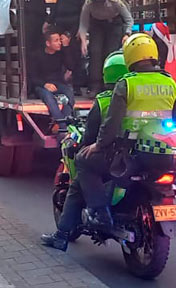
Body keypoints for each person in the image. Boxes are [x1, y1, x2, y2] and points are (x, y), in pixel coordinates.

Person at [76, 33, 176, 230]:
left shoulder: (127, 83)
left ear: (129, 56)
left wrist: (98, 145)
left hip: (128, 154)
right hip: (159, 154)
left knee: (82, 161)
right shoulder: (169, 82)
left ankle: (100, 212)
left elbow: (112, 123)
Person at [41, 52, 128, 251]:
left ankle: (64, 234)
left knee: (79, 177)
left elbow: (90, 135)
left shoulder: (105, 99)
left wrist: (89, 147)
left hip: (110, 156)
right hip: (135, 157)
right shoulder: (137, 94)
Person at [79, 0, 134, 92]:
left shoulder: (114, 0)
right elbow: (83, 23)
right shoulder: (88, 3)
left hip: (114, 24)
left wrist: (127, 33)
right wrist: (83, 41)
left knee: (110, 53)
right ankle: (95, 86)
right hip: (97, 24)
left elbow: (128, 19)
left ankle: (110, 84)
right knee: (95, 52)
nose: (98, 6)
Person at [51, 0, 89, 89]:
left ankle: (77, 84)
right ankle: (61, 81)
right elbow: (55, 7)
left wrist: (80, 28)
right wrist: (48, 22)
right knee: (59, 50)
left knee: (75, 53)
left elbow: (84, 10)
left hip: (75, 24)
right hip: (60, 23)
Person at [29, 29, 76, 129]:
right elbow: (33, 77)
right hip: (42, 85)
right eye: (56, 41)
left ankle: (60, 123)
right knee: (49, 98)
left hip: (58, 83)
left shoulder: (61, 53)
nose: (59, 43)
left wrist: (66, 47)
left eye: (60, 40)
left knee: (70, 94)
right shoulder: (37, 55)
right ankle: (63, 127)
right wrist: (45, 84)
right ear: (48, 43)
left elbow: (71, 66)